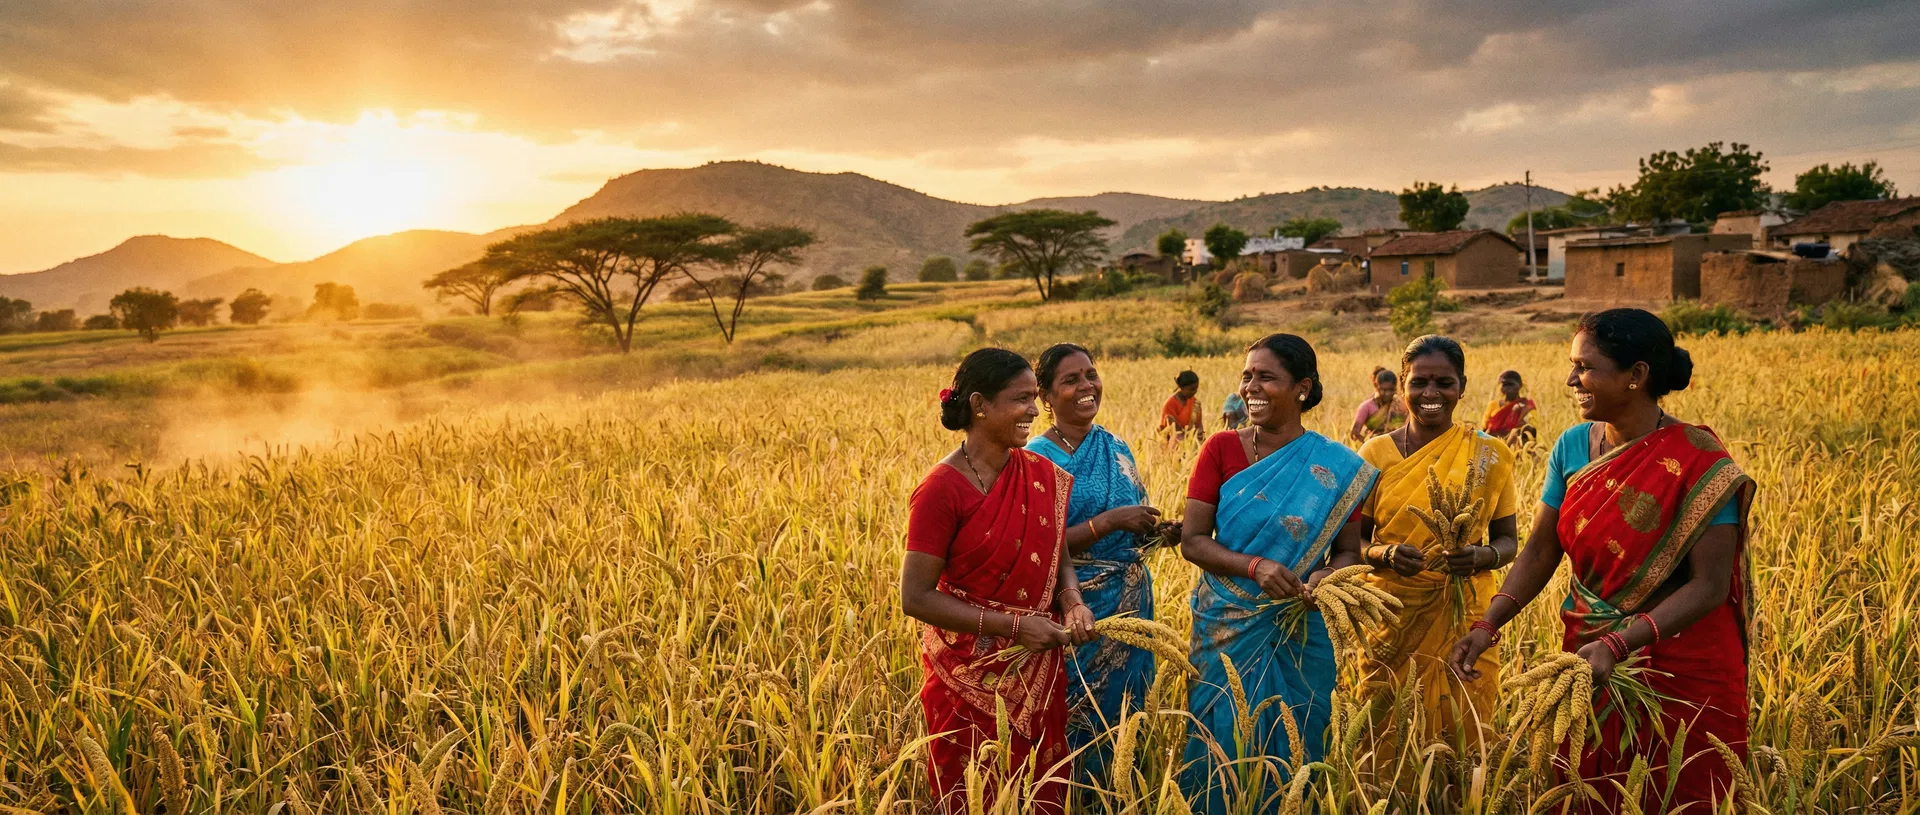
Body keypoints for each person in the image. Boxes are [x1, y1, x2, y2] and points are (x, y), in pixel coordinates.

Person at [1448, 309, 1754, 813]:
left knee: (1686, 791)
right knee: (1587, 787)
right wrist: (1489, 624)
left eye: (1585, 367)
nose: (1571, 379)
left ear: (1636, 376)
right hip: (1590, 651)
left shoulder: (1700, 460)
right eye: (1572, 365)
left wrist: (1621, 640)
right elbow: (1542, 550)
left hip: (1681, 658)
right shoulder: (1572, 446)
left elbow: (1710, 585)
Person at [1178, 333, 1380, 814]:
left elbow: (1349, 552)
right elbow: (1192, 541)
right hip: (1227, 624)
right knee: (1220, 741)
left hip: (1300, 626)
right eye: (1247, 375)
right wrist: (1255, 565)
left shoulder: (1336, 467)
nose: (1251, 386)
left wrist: (1321, 579)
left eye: (1266, 377)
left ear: (1302, 388)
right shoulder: (1220, 450)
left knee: (1299, 739)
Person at [902, 347, 1100, 814]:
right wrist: (1013, 629)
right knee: (973, 794)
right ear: (979, 404)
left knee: (1041, 789)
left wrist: (1071, 601)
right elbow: (915, 596)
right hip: (966, 674)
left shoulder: (1041, 474)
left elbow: (1057, 552)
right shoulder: (940, 489)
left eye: (1035, 398)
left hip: (1040, 663)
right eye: (1022, 399)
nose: (1035, 409)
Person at [1353, 335, 1519, 770]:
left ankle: (1459, 793)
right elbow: (1352, 542)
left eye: (1444, 382)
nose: (1431, 394)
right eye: (1419, 382)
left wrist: (1480, 557)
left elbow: (1508, 542)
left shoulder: (1491, 454)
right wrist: (1385, 554)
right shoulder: (1374, 454)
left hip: (1468, 615)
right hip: (1391, 612)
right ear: (1403, 384)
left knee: (1464, 717)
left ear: (1462, 386)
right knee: (1386, 719)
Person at [1025, 343, 1166, 792]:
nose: (1087, 386)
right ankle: (1075, 796)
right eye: (1071, 380)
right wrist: (1109, 522)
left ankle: (1121, 792)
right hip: (1076, 605)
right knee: (1077, 710)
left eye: (1091, 374)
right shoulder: (1035, 458)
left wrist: (1156, 531)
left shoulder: (1116, 446)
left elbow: (1131, 522)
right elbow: (1036, 546)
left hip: (1132, 600)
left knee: (1128, 711)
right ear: (1045, 396)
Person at [1350, 367, 1409, 442]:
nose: (1387, 393)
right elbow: (1354, 433)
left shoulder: (1401, 405)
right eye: (1383, 390)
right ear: (1376, 386)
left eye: (1391, 390)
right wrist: (1368, 443)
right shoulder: (1366, 406)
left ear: (1395, 389)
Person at [1481, 370, 1538, 446]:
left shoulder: (1526, 405)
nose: (1508, 388)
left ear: (1520, 385)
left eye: (1511, 384)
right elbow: (1484, 427)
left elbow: (1532, 428)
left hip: (1517, 446)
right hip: (1493, 446)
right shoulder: (1493, 405)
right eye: (1504, 385)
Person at [1160, 370, 1205, 438]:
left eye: (1196, 388)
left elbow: (1198, 426)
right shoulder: (1170, 404)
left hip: (1189, 440)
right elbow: (1174, 430)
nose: (1194, 392)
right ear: (1181, 387)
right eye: (1191, 389)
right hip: (1171, 441)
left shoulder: (1195, 403)